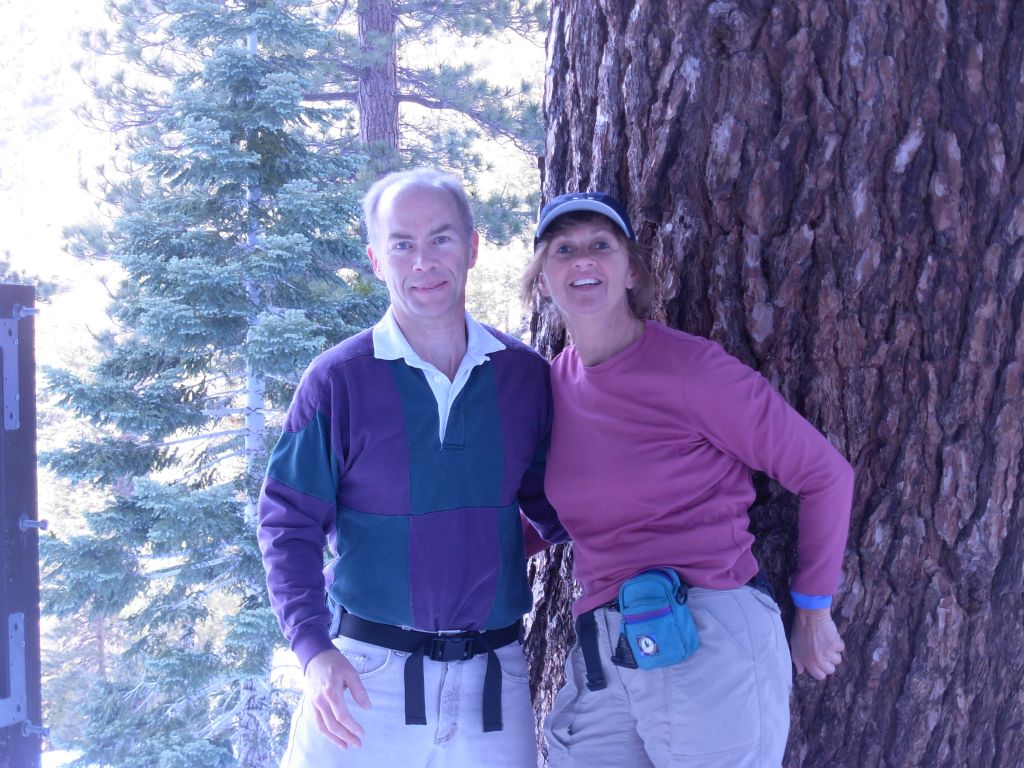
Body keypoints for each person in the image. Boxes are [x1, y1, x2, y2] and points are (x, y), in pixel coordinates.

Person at [521, 192, 854, 767]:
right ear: (542, 278)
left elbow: (824, 474)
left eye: (601, 245)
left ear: (630, 270)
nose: (583, 261)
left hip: (707, 634)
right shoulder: (553, 386)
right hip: (606, 647)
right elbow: (554, 519)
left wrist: (814, 610)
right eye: (563, 249)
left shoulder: (693, 371)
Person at [257, 168, 566, 768]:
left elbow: (559, 507)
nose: (423, 261)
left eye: (441, 239)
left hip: (492, 684)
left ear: (472, 248)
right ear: (377, 259)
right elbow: (288, 523)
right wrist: (314, 650)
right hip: (362, 680)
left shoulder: (523, 377)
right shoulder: (338, 381)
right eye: (402, 244)